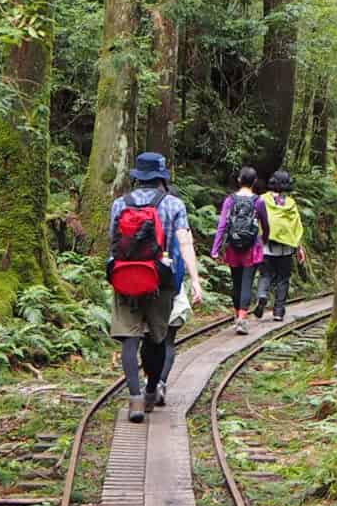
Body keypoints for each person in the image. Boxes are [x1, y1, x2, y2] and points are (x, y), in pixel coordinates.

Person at [107, 151, 204, 422]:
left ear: (138, 176)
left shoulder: (119, 204)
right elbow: (185, 242)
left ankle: (135, 400)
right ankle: (151, 391)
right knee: (158, 338)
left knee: (129, 339)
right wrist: (194, 279)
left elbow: (112, 244)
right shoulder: (174, 204)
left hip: (125, 278)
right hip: (161, 280)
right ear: (162, 176)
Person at [212, 165, 269, 335]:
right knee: (246, 282)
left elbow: (222, 225)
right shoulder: (258, 201)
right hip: (252, 247)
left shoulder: (230, 200)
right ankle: (242, 319)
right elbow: (265, 224)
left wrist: (216, 248)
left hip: (233, 246)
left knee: (235, 282)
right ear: (255, 182)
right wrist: (264, 240)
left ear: (239, 180)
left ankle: (237, 314)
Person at [257, 170, 306, 322]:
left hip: (266, 245)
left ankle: (262, 295)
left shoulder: (262, 199)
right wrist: (299, 248)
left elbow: (255, 220)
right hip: (286, 248)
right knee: (283, 279)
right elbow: (296, 226)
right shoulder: (290, 203)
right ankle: (278, 311)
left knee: (265, 274)